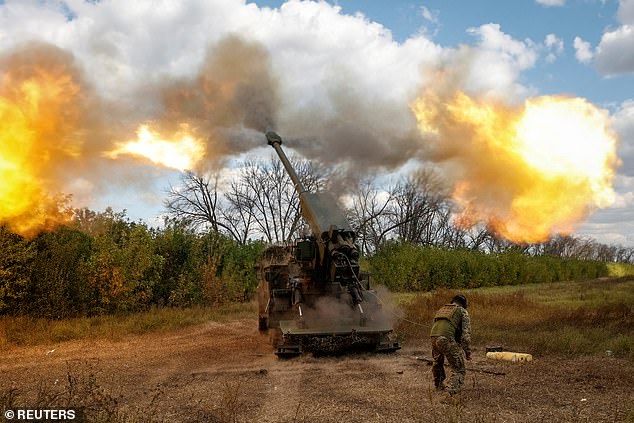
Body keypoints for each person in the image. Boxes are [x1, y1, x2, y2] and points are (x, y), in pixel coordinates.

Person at [430, 294, 472, 395]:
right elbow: (465, 335)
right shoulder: (462, 311)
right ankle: (451, 393)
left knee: (437, 362)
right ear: (464, 304)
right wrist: (467, 352)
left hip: (433, 337)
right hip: (445, 338)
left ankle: (439, 385)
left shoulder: (442, 309)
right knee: (459, 369)